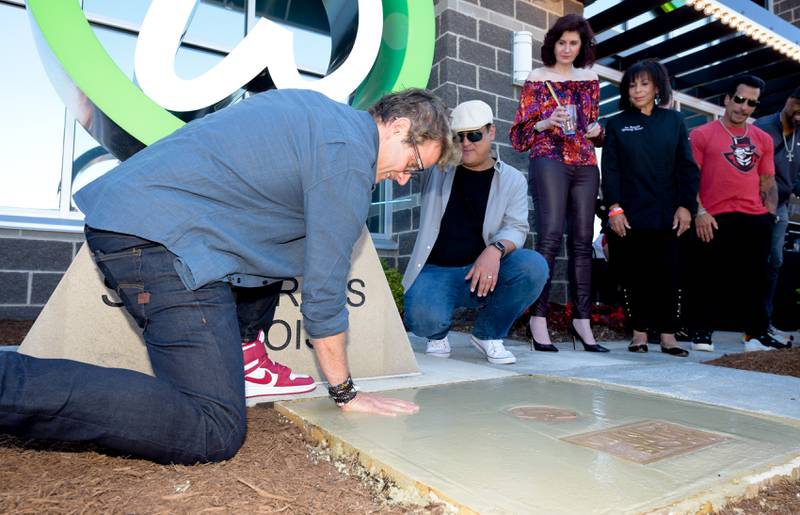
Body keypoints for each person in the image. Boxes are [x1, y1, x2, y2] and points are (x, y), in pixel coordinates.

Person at [0, 88, 456, 464]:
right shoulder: (348, 159)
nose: (402, 180)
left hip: (144, 221)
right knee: (213, 427)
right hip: (157, 240)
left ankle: (244, 353)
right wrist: (345, 392)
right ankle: (10, 382)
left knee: (286, 234)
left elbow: (264, 225)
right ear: (397, 127)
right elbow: (324, 290)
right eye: (413, 166)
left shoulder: (319, 116)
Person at [403, 100, 548, 364]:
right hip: (437, 271)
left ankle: (488, 334)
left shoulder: (512, 178)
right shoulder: (438, 169)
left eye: (475, 134)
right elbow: (409, 155)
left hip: (484, 274)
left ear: (491, 132)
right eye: (459, 136)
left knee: (533, 266)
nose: (466, 143)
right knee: (422, 319)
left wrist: (495, 250)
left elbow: (517, 226)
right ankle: (437, 334)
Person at [510, 14, 607, 352]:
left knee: (583, 241)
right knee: (549, 237)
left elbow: (592, 127)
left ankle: (582, 320)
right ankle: (537, 318)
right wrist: (546, 121)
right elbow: (520, 134)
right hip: (548, 159)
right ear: (553, 43)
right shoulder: (537, 78)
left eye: (573, 43)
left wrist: (598, 132)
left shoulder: (590, 79)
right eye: (562, 42)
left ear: (582, 46)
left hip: (584, 163)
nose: (567, 49)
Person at [601, 60, 699, 357]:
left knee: (669, 275)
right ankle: (639, 334)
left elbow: (687, 168)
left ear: (657, 87)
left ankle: (669, 337)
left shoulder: (674, 121)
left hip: (669, 216)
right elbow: (611, 170)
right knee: (635, 276)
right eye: (632, 84)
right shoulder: (616, 124)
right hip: (630, 217)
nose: (638, 90)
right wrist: (614, 208)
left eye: (644, 84)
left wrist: (686, 206)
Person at [686, 75, 788, 352]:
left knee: (756, 278)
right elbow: (690, 178)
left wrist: (769, 216)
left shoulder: (763, 139)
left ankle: (755, 335)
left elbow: (767, 180)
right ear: (727, 99)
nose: (744, 107)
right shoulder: (701, 134)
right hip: (714, 216)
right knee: (708, 276)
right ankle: (702, 332)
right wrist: (700, 212)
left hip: (754, 217)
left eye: (751, 103)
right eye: (740, 100)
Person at [755, 87, 800, 343]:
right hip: (755, 202)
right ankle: (752, 323)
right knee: (754, 261)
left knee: (775, 261)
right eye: (799, 108)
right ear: (789, 100)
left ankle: (764, 322)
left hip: (781, 205)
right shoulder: (764, 126)